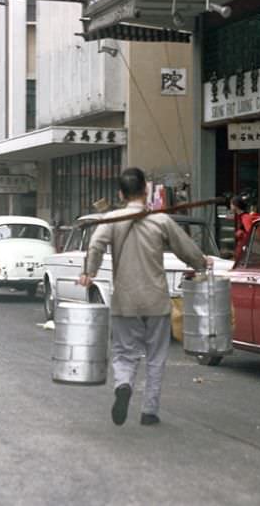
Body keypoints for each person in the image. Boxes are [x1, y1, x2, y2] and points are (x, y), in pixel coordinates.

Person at [79, 167, 211, 427]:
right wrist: (200, 263)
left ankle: (124, 384)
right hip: (156, 300)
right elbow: (186, 248)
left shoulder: (112, 220)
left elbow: (95, 245)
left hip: (125, 301)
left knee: (123, 353)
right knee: (156, 356)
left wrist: (89, 272)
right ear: (145, 191)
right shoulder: (161, 221)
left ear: (120, 194)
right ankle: (149, 411)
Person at [230, 195, 260, 262]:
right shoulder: (241, 217)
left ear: (235, 205)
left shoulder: (245, 218)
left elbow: (252, 235)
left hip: (245, 254)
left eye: (231, 204)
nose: (230, 206)